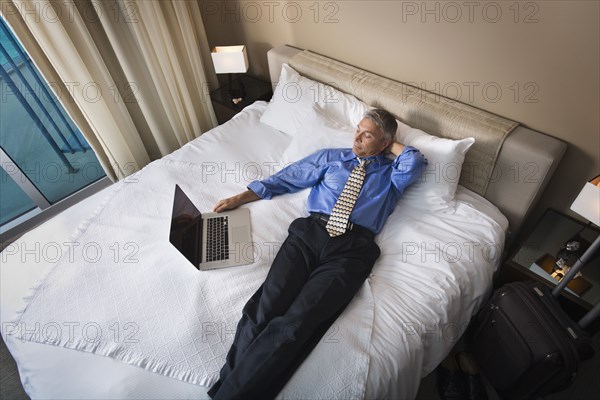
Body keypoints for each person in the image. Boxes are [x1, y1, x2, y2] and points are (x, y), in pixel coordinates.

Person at [207, 108, 427, 399]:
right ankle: (232, 388)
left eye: (367, 134)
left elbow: (415, 162)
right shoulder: (331, 158)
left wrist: (390, 144)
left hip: (351, 250)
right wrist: (241, 197)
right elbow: (287, 178)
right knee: (262, 311)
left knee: (296, 325)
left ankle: (228, 394)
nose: (357, 138)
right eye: (357, 129)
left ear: (385, 143)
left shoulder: (391, 174)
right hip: (309, 234)